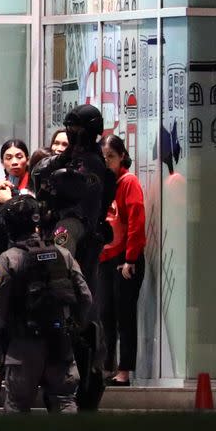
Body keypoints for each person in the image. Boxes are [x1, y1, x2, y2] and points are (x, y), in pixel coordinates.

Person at [32, 104, 116, 411]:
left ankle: (86, 387)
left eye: (75, 130)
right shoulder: (72, 160)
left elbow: (74, 196)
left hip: (78, 252)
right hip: (68, 250)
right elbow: (39, 173)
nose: (71, 135)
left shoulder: (91, 166)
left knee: (82, 322)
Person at [0, 195, 92, 413]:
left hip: (22, 346)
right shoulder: (62, 254)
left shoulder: (8, 259)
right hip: (60, 342)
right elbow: (85, 297)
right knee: (65, 403)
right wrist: (75, 326)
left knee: (17, 409)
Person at [98, 135, 146, 386]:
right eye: (103, 158)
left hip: (127, 258)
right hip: (105, 256)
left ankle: (124, 370)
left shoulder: (129, 182)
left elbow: (136, 222)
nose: (107, 162)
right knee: (105, 312)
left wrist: (130, 258)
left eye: (111, 157)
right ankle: (107, 366)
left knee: (124, 315)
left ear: (122, 157)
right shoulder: (101, 184)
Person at [0, 139, 31, 205]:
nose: (14, 162)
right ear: (2, 162)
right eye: (8, 158)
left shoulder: (35, 184)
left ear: (27, 160)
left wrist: (8, 201)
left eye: (19, 157)